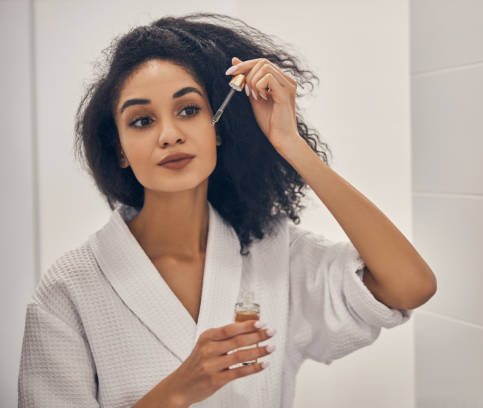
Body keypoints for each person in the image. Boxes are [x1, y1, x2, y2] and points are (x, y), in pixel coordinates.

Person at [18, 12, 436, 408]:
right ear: (120, 150)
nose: (169, 135)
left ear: (217, 129)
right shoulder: (69, 289)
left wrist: (291, 145)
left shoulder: (273, 254)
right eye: (142, 121)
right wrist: (179, 390)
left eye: (188, 110)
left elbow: (411, 286)